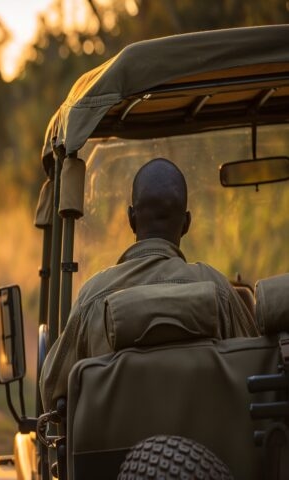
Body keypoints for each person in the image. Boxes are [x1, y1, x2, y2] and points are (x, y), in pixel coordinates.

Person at [40, 157, 259, 411]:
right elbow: (256, 367)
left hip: (113, 451)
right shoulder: (217, 289)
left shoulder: (93, 297)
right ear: (186, 223)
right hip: (215, 451)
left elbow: (52, 390)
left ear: (131, 219)